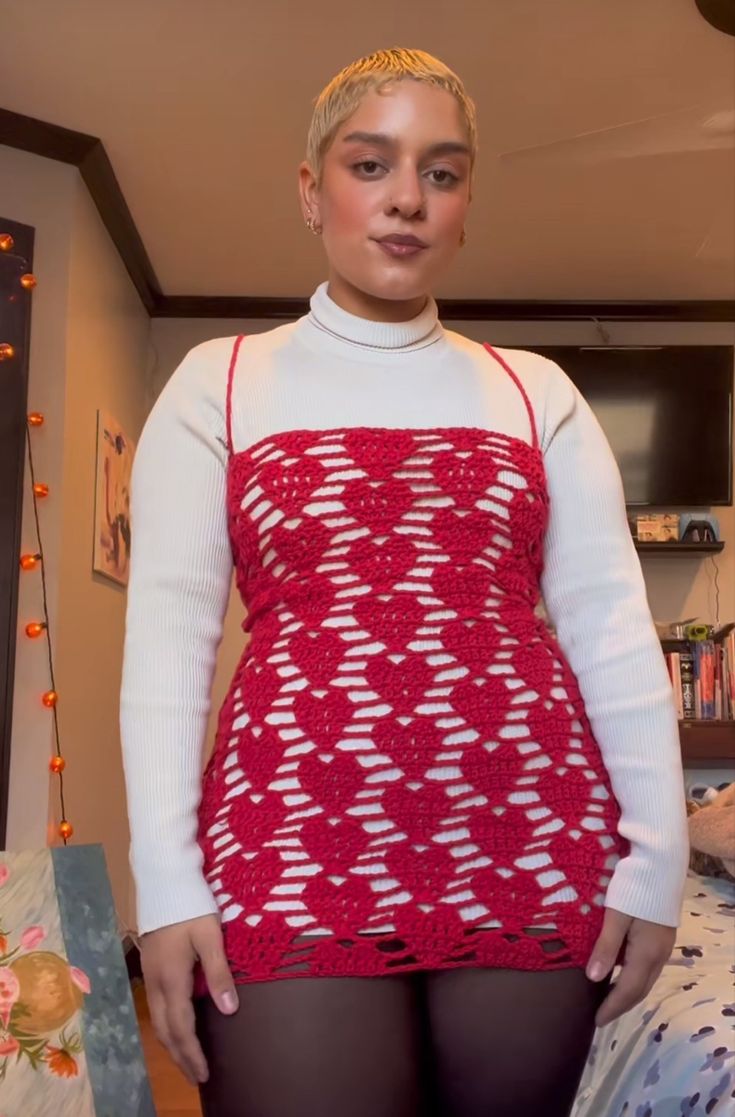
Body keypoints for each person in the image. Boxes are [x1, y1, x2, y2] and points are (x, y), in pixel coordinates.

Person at [120, 48, 689, 1117]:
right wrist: (166, 887)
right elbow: (167, 644)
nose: (405, 199)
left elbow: (613, 631)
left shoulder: (536, 391)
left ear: (467, 200)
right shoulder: (221, 379)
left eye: (442, 171)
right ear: (310, 188)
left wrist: (653, 864)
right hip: (287, 833)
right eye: (370, 163)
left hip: (531, 831)